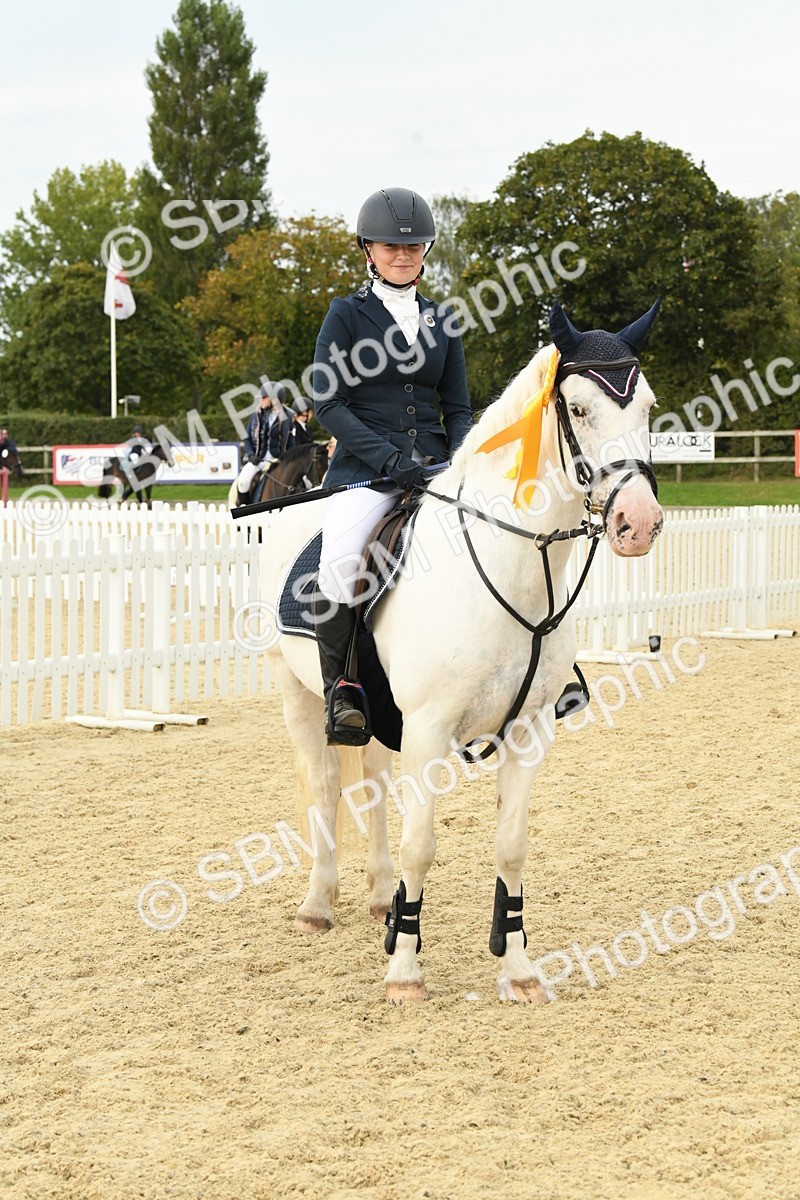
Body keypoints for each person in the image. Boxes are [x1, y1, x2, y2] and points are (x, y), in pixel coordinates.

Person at [312, 187, 472, 743]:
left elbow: (456, 409)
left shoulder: (443, 319)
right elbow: (328, 403)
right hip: (364, 471)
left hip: (435, 467)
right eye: (390, 246)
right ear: (368, 251)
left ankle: (531, 672)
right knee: (339, 561)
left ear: (425, 251)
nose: (403, 254)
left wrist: (458, 464)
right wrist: (388, 459)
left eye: (413, 246)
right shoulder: (346, 315)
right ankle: (344, 692)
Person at [235, 382, 290, 505]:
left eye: (264, 397)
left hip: (279, 461)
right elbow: (247, 438)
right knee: (243, 481)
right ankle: (245, 509)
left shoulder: (288, 417)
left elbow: (292, 443)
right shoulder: (256, 415)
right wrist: (251, 455)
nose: (261, 400)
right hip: (258, 460)